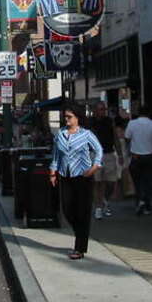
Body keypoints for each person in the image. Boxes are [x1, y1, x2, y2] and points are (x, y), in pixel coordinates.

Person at [49, 104, 103, 260]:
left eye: (69, 117)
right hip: (65, 175)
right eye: (65, 117)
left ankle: (79, 247)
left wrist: (94, 167)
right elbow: (56, 155)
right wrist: (53, 171)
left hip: (83, 177)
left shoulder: (86, 134)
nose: (66, 119)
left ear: (77, 118)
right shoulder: (60, 134)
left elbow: (99, 150)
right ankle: (80, 233)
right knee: (67, 209)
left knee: (82, 212)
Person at [125, 106, 152, 216]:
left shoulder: (132, 124)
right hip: (150, 156)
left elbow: (127, 138)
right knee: (148, 181)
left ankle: (139, 202)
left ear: (138, 113)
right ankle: (147, 204)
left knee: (137, 182)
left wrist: (131, 149)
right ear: (149, 113)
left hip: (136, 156)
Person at [89, 102, 120, 219]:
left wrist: (120, 154)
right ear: (95, 111)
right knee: (97, 182)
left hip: (109, 153)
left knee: (111, 182)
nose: (103, 111)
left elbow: (115, 137)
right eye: (100, 109)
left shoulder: (109, 121)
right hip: (95, 154)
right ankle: (98, 207)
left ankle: (105, 199)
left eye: (104, 109)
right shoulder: (90, 122)